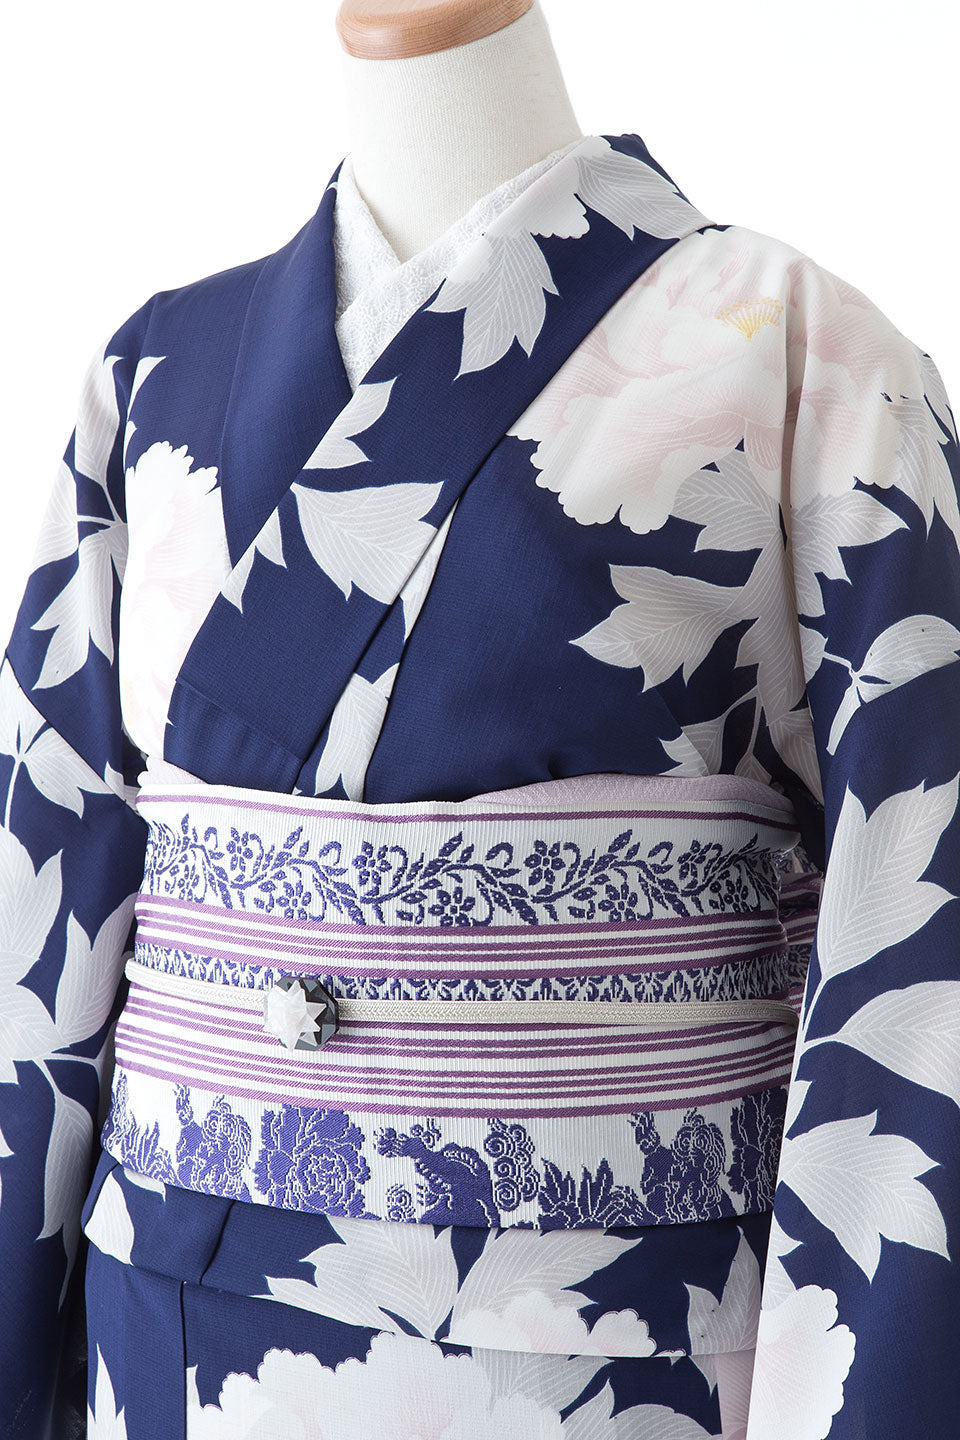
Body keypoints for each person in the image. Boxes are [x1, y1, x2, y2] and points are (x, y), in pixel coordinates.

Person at [3, 2, 959, 1436]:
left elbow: (922, 942)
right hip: (173, 1326)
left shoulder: (813, 359)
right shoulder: (149, 376)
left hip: (619, 1347)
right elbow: (36, 900)